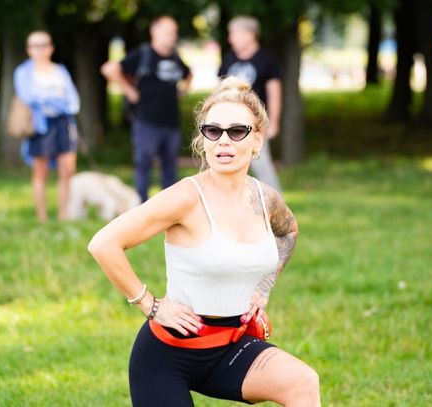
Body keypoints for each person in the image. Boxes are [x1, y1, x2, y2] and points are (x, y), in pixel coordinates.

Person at [88, 76, 320, 406]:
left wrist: (266, 284)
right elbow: (104, 243)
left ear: (257, 140)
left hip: (231, 347)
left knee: (303, 382)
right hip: (168, 355)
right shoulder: (185, 197)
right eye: (213, 131)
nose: (224, 141)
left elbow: (289, 232)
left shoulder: (265, 198)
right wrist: (150, 305)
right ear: (203, 139)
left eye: (237, 131)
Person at [101, 15, 192, 202]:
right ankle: (141, 205)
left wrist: (183, 91)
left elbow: (189, 74)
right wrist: (128, 90)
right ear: (154, 32)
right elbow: (109, 69)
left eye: (174, 32)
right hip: (147, 121)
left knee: (170, 168)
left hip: (171, 122)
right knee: (144, 165)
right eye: (168, 32)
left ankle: (169, 207)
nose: (172, 36)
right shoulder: (143, 54)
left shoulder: (175, 56)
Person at [14, 31, 80, 222]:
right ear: (28, 49)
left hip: (64, 124)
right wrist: (56, 96)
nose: (39, 50)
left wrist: (47, 97)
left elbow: (73, 102)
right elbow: (28, 97)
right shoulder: (23, 72)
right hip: (40, 126)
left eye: (43, 45)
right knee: (40, 172)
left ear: (50, 48)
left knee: (67, 171)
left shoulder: (60, 70)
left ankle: (63, 214)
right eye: (34, 46)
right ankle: (42, 217)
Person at [219, 16, 283, 193]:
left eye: (234, 34)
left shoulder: (267, 59)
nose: (230, 39)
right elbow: (219, 90)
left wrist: (274, 123)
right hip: (229, 124)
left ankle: (276, 205)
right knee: (228, 164)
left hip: (256, 123)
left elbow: (275, 94)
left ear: (249, 34)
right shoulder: (229, 58)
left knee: (262, 165)